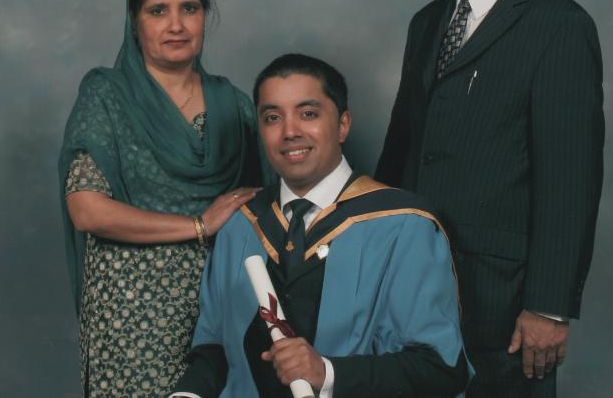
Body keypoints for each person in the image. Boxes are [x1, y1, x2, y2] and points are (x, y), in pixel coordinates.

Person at [375, 0, 604, 398]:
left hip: (504, 306)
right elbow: (401, 152)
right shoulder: (427, 22)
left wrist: (548, 305)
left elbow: (570, 179)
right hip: (413, 287)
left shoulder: (560, 25)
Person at [170, 54, 469, 397]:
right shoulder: (241, 223)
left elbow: (441, 370)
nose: (290, 132)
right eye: (272, 117)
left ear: (342, 125)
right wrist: (187, 394)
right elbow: (215, 349)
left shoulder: (405, 224)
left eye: (308, 113)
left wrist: (325, 372)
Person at [58, 0, 266, 396]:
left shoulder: (234, 104)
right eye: (158, 11)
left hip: (217, 307)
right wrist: (198, 225)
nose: (176, 24)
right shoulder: (107, 96)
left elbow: (261, 207)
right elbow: (86, 209)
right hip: (131, 317)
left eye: (189, 9)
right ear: (135, 23)